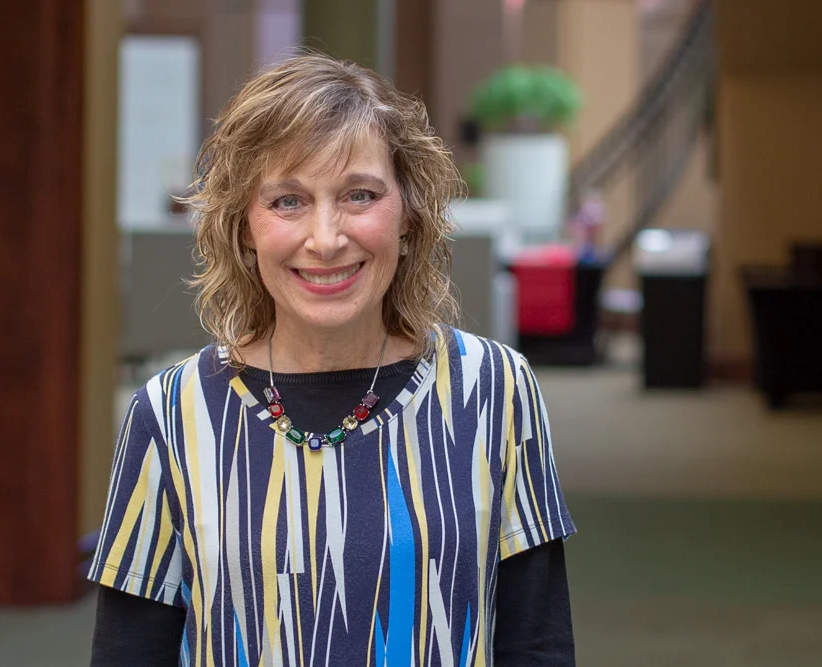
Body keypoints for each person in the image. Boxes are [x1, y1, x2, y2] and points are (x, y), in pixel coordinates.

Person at [88, 52, 576, 666]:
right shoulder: (170, 414)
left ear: (408, 214)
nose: (325, 238)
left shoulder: (494, 389)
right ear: (244, 227)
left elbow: (537, 645)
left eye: (359, 195)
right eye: (287, 201)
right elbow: (128, 653)